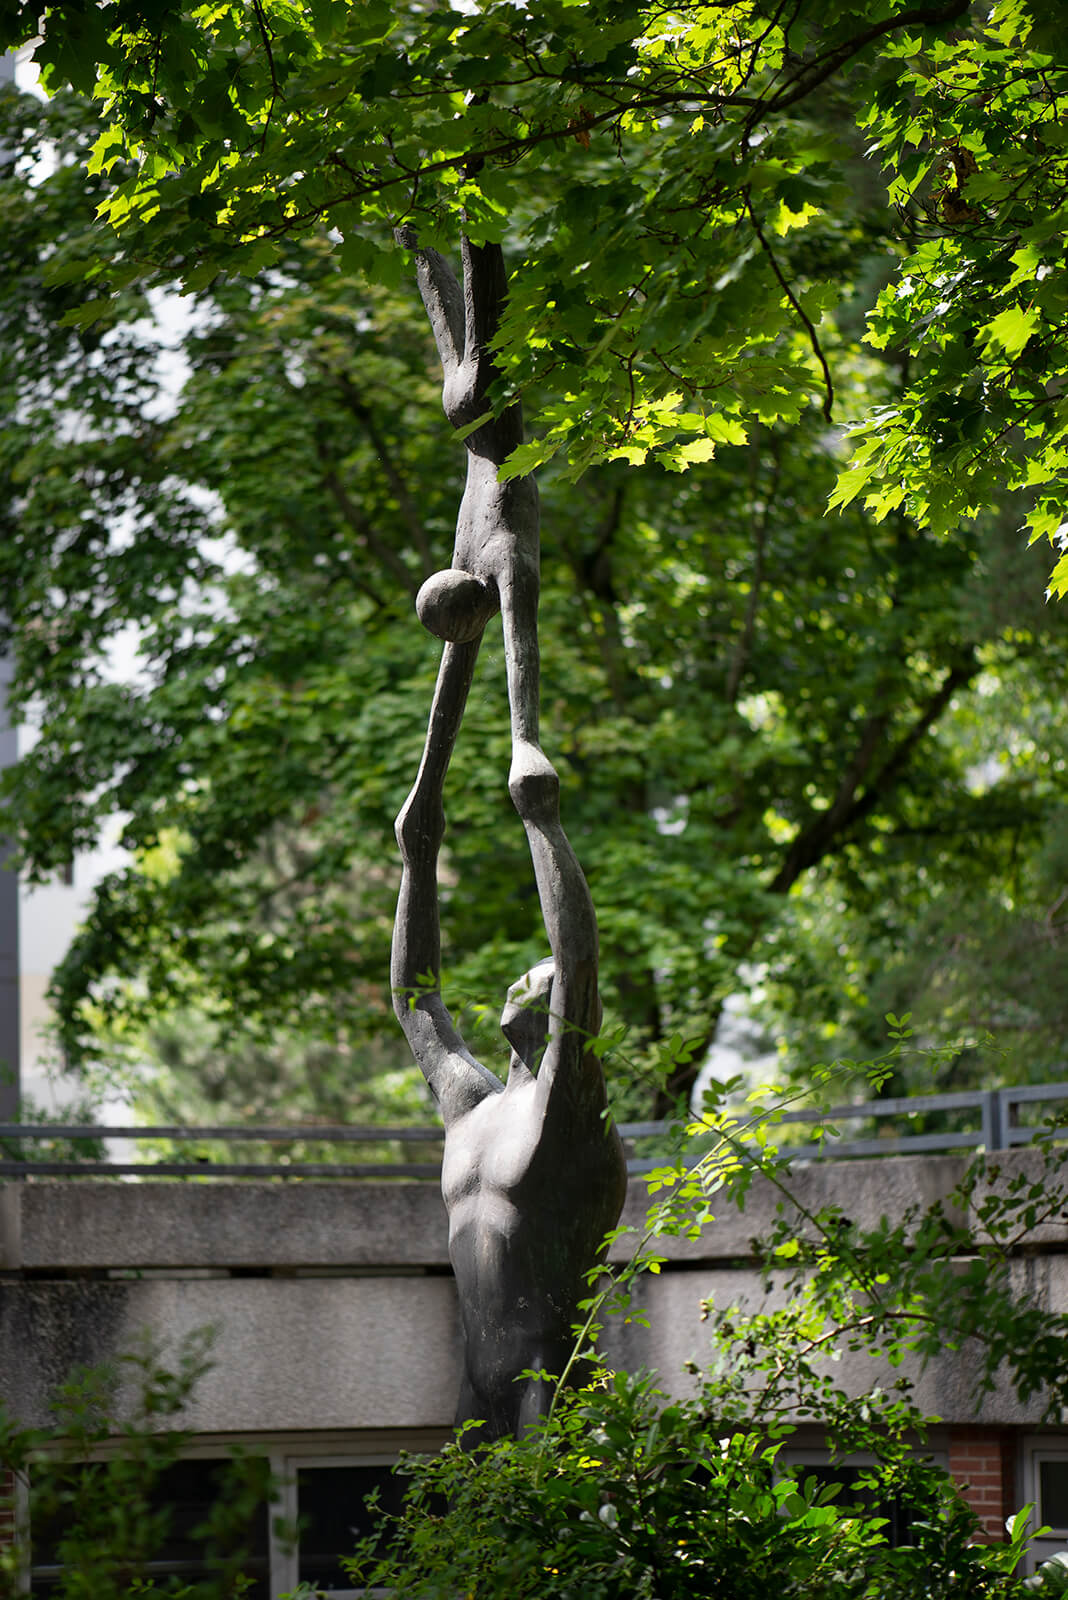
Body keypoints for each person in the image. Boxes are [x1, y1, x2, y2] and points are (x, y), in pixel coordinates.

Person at [391, 232, 627, 1441]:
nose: (528, 978)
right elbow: (416, 997)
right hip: (473, 1377)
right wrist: (420, 812)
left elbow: (575, 966)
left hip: (547, 1380)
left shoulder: (564, 1104)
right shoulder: (476, 1102)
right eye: (523, 978)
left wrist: (540, 811)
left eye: (534, 977)